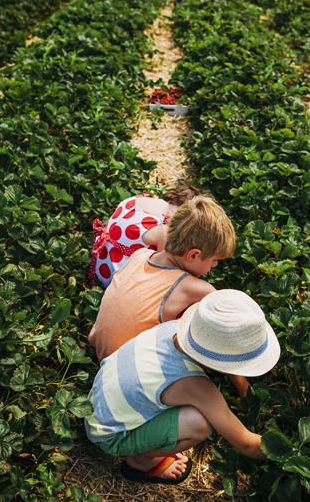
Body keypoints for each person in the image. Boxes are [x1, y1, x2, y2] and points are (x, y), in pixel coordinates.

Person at [84, 289, 280, 484]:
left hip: (98, 402)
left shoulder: (175, 328)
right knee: (200, 424)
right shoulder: (195, 387)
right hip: (110, 434)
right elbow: (246, 444)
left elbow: (221, 352)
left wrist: (244, 389)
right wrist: (289, 451)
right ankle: (140, 459)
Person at [88, 195, 250, 397]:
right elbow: (221, 334)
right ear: (193, 255)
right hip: (126, 376)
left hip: (99, 347)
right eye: (215, 260)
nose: (215, 266)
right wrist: (244, 388)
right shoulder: (198, 289)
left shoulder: (140, 255)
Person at [89, 185, 201, 288]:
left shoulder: (136, 199)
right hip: (116, 281)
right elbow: (164, 269)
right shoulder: (163, 229)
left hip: (99, 264)